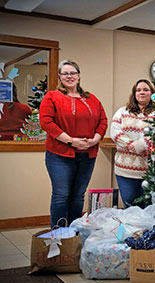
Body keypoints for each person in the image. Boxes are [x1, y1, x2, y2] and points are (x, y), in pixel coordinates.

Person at [39, 60, 108, 227]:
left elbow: (103, 120)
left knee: (78, 196)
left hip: (87, 154)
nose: (69, 76)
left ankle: (74, 233)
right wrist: (71, 141)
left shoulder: (91, 99)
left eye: (73, 73)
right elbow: (46, 122)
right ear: (60, 77)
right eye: (65, 73)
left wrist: (95, 140)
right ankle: (59, 234)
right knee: (61, 195)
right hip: (60, 155)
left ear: (79, 75)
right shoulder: (52, 97)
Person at [110, 79, 155, 208]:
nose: (142, 92)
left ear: (152, 93)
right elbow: (115, 132)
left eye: (146, 90)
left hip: (150, 170)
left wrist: (143, 145)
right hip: (125, 169)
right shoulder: (122, 112)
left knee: (148, 207)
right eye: (138, 90)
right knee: (129, 204)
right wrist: (132, 145)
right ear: (134, 93)